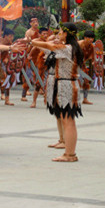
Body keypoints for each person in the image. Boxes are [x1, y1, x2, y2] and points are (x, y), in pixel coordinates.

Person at [29, 22, 83, 162]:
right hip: (64, 84)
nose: (58, 34)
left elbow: (48, 46)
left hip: (66, 85)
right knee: (66, 119)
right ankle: (69, 152)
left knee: (68, 120)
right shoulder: (69, 47)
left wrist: (31, 41)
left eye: (60, 32)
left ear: (66, 33)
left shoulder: (68, 48)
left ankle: (70, 154)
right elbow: (48, 47)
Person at [30, 27, 50, 108]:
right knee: (38, 83)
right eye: (43, 34)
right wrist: (29, 55)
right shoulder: (37, 41)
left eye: (46, 34)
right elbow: (34, 47)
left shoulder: (48, 41)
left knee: (48, 83)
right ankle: (34, 101)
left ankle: (47, 100)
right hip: (40, 65)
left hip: (48, 64)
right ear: (40, 34)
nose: (45, 35)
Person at [22, 18, 41, 101]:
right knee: (28, 73)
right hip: (30, 55)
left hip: (39, 54)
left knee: (39, 73)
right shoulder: (29, 32)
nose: (36, 23)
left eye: (36, 21)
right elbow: (28, 43)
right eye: (33, 22)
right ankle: (25, 92)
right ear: (30, 23)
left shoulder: (40, 32)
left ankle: (40, 89)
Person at [78, 30, 96, 105]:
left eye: (92, 38)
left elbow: (94, 58)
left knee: (86, 80)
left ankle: (85, 99)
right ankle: (73, 98)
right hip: (73, 64)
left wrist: (95, 64)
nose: (91, 39)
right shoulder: (79, 44)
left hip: (82, 64)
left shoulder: (92, 46)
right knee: (76, 81)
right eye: (89, 38)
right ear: (85, 38)